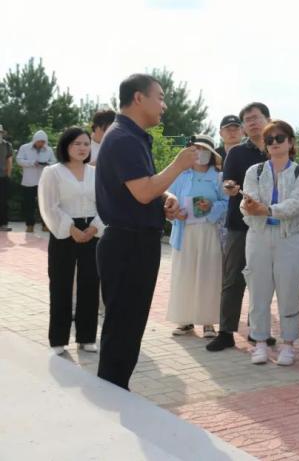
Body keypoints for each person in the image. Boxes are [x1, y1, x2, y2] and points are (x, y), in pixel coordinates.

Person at [95, 74, 198, 390]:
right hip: (128, 244)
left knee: (127, 327)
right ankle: (112, 392)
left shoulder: (131, 136)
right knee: (123, 328)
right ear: (139, 98)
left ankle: (115, 389)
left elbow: (142, 188)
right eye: (160, 97)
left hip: (133, 241)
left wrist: (164, 197)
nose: (164, 106)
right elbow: (142, 192)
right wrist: (178, 165)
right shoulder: (124, 138)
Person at [240, 120, 299, 366]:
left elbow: (297, 204)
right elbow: (248, 199)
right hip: (258, 236)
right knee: (258, 291)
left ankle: (288, 344)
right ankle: (260, 342)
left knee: (289, 291)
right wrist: (250, 205)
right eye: (269, 140)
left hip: (289, 238)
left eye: (279, 138)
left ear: (290, 142)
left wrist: (267, 209)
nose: (274, 143)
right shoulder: (254, 171)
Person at [206, 102, 271, 352]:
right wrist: (231, 188)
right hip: (239, 224)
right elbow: (228, 182)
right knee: (233, 279)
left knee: (263, 280)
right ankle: (226, 332)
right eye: (248, 119)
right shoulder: (236, 153)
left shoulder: (277, 148)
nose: (252, 122)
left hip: (269, 224)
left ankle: (258, 330)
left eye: (256, 117)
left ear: (267, 119)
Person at [38, 127, 105, 355]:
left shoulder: (96, 173)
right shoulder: (53, 172)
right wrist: (71, 228)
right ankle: (58, 339)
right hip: (63, 231)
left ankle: (87, 337)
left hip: (93, 230)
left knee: (90, 284)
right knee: (61, 284)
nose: (82, 148)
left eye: (86, 144)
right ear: (66, 146)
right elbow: (49, 206)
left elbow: (105, 204)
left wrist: (94, 227)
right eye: (77, 143)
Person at [166, 134, 227, 339]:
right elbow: (166, 199)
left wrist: (211, 206)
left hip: (209, 232)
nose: (200, 153)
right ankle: (185, 321)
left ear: (212, 154)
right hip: (184, 232)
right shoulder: (180, 175)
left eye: (204, 150)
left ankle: (208, 322)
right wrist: (175, 212)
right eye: (196, 149)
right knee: (185, 275)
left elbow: (227, 203)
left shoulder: (219, 177)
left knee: (209, 276)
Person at [16, 130, 56, 232]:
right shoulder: (24, 148)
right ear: (34, 140)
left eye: (43, 142)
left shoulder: (49, 150)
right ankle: (30, 225)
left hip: (44, 181)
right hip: (29, 181)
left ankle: (45, 225)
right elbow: (19, 160)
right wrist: (32, 163)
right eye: (39, 141)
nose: (41, 144)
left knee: (45, 204)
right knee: (29, 204)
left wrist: (47, 164)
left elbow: (54, 162)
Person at [0, 124, 13, 232]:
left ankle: (3, 223)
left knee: (3, 201)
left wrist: (8, 174)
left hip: (3, 176)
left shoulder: (7, 145)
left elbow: (9, 160)